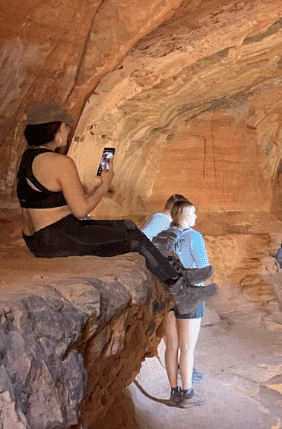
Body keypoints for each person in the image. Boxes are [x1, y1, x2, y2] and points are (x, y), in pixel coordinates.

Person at [16, 103, 215, 315]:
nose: (68, 130)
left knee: (127, 225)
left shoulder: (29, 158)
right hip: (58, 238)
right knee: (134, 240)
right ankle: (181, 292)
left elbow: (51, 197)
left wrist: (98, 189)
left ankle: (180, 275)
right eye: (65, 126)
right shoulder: (60, 162)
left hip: (38, 239)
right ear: (54, 129)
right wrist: (104, 185)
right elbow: (80, 210)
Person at [157, 199, 211, 407]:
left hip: (169, 296)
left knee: (171, 346)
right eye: (194, 213)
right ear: (186, 216)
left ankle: (174, 392)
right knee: (187, 348)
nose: (196, 217)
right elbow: (202, 268)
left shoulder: (164, 237)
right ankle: (187, 394)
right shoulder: (194, 237)